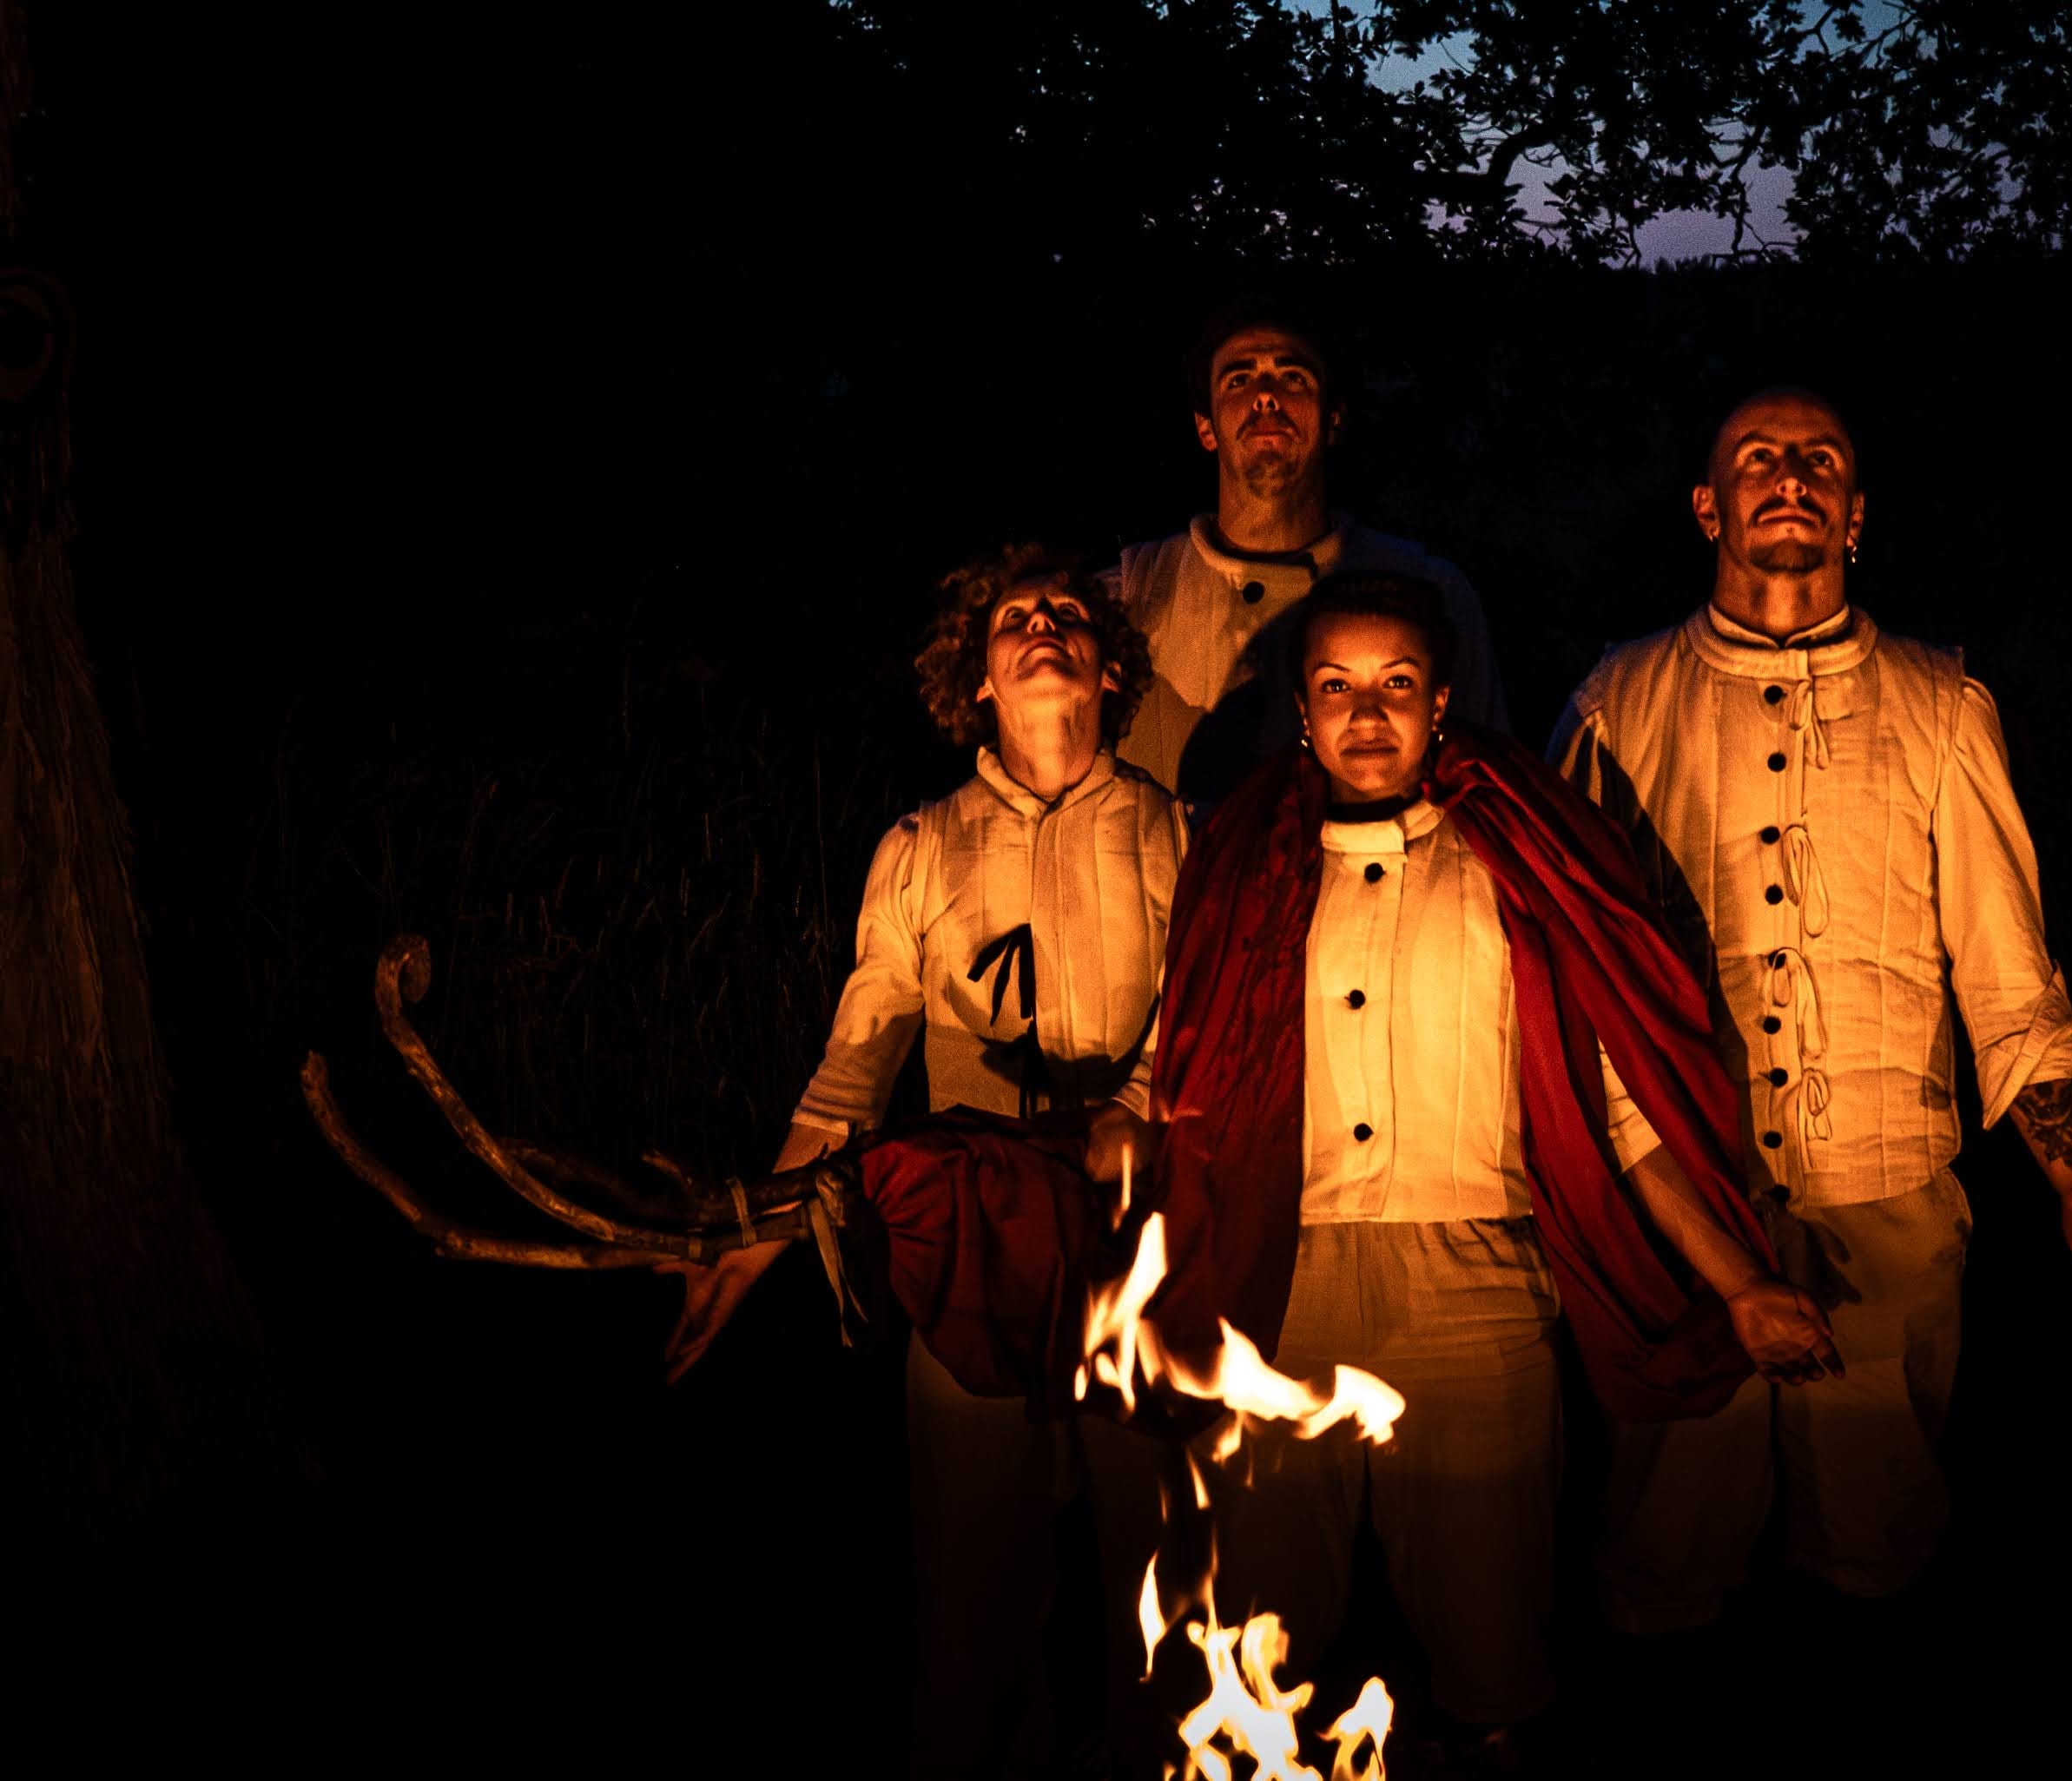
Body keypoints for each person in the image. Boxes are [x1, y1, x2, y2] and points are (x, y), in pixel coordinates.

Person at [1144, 572, 1837, 1766]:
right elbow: (1182, 1069)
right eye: (1337, 688)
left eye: (1397, 685)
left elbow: (1617, 1108)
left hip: (1477, 1298)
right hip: (1282, 1297)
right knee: (1263, 1649)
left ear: (1444, 701)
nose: (1369, 714)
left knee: (1492, 1646)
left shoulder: (1517, 864)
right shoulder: (1241, 864)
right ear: (1303, 714)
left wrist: (1740, 1282)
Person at [1550, 388, 2072, 1614]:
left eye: (1819, 460)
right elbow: (1567, 975)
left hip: (1891, 1209)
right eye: (1756, 458)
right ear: (1707, 505)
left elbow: (2007, 969)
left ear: (1857, 514)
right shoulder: (1613, 706)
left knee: (1877, 1546)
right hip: (1688, 1202)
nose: (1787, 476)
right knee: (1666, 1554)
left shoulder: (1941, 704)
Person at [660, 544, 1182, 1780]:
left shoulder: (1174, 831)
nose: (1044, 626)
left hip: (1138, 1267)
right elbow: (854, 1067)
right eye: (1015, 619)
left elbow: (1212, 1019)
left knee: (1155, 1602)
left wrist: (1136, 1103)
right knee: (972, 1612)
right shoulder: (920, 846)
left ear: (1109, 669)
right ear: (979, 677)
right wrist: (751, 1244)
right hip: (971, 1265)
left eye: (1067, 614)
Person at [1112, 297, 1508, 813]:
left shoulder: (1433, 594)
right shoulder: (1125, 600)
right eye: (1238, 380)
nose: (1266, 397)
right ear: (1205, 427)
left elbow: (1491, 803)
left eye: (1293, 378)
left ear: (1335, 419)